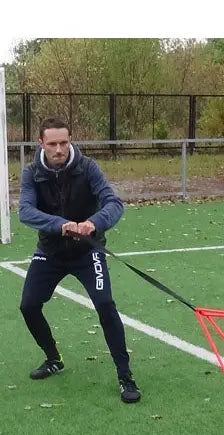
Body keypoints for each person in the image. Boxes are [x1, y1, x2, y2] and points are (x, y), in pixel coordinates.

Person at [17, 116, 141, 403]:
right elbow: (25, 211)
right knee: (29, 305)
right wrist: (60, 224)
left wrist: (94, 223)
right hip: (51, 252)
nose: (59, 149)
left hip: (88, 252)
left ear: (70, 141)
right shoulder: (32, 173)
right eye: (52, 144)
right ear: (41, 143)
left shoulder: (87, 168)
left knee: (105, 304)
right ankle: (53, 358)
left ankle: (125, 377)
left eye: (64, 142)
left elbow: (114, 203)